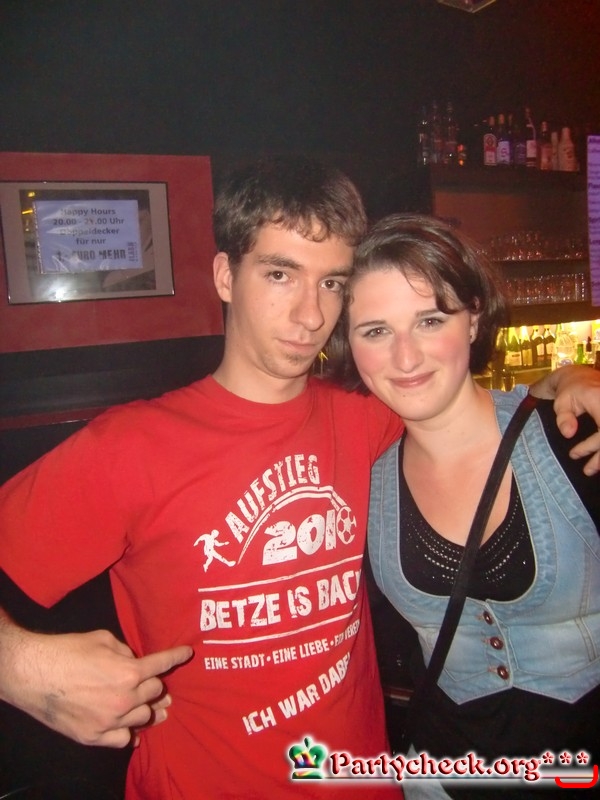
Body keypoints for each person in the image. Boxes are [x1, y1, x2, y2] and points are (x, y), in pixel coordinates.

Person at [0, 159, 599, 800]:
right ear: (226, 275)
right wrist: (23, 667)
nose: (310, 314)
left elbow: (466, 403)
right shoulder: (130, 446)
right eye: (280, 273)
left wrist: (569, 379)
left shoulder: (367, 414)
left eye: (332, 282)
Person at [331, 212, 600, 798]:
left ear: (474, 317)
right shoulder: (362, 481)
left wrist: (574, 374)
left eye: (430, 320)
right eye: (375, 331)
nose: (406, 358)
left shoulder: (573, 437)